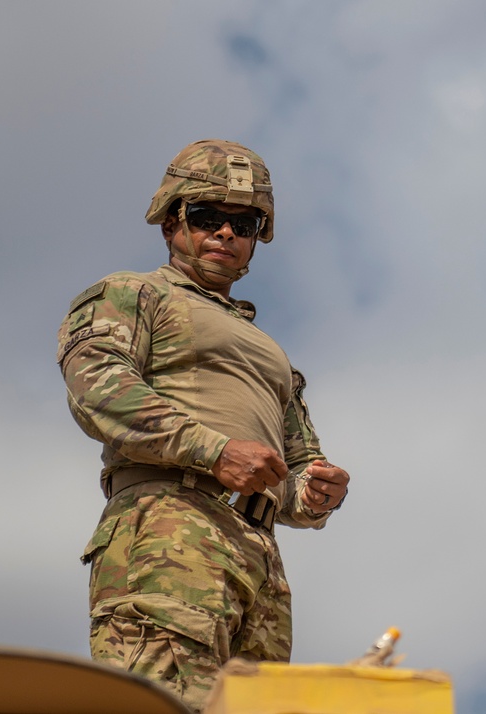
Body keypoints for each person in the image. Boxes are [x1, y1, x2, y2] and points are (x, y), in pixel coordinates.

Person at [56, 139, 350, 712]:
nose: (225, 233)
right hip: (172, 524)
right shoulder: (135, 293)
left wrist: (316, 492)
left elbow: (293, 470)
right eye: (207, 216)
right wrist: (214, 451)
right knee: (161, 702)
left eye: (242, 223)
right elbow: (98, 388)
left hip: (259, 559)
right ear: (172, 222)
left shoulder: (273, 354)